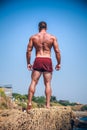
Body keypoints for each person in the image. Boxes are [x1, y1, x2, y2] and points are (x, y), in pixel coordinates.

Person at [26, 21, 61, 111]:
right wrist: (58, 63)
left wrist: (28, 63)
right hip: (47, 59)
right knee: (48, 83)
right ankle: (48, 105)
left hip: (38, 59)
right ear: (46, 27)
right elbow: (57, 51)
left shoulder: (33, 37)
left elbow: (28, 51)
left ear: (38, 27)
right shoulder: (52, 38)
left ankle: (29, 102)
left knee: (33, 82)